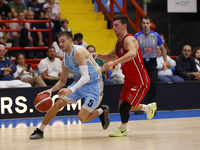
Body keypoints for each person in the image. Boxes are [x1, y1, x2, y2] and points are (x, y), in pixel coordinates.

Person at [30, 31, 110, 139]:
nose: (61, 44)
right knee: (57, 105)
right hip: (78, 84)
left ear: (70, 41)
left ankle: (102, 111)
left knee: (82, 117)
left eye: (63, 41)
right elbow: (62, 81)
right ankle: (40, 130)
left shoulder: (79, 52)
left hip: (93, 86)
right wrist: (50, 90)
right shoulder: (65, 60)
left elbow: (86, 77)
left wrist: (70, 90)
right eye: (59, 42)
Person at [93, 14, 157, 137]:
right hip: (129, 80)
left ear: (124, 26)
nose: (114, 28)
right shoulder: (119, 42)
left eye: (116, 25)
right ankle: (148, 108)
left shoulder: (129, 39)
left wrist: (114, 62)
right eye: (113, 25)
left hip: (139, 80)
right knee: (121, 107)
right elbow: (110, 56)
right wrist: (98, 55)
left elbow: (132, 53)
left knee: (124, 107)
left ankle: (123, 128)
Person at [134, 15, 167, 109]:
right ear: (141, 24)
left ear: (150, 24)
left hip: (152, 63)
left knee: (153, 84)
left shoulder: (156, 36)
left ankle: (150, 107)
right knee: (140, 85)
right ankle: (138, 107)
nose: (145, 25)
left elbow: (163, 49)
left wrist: (165, 62)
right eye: (144, 23)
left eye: (147, 23)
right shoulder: (137, 36)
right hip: (141, 63)